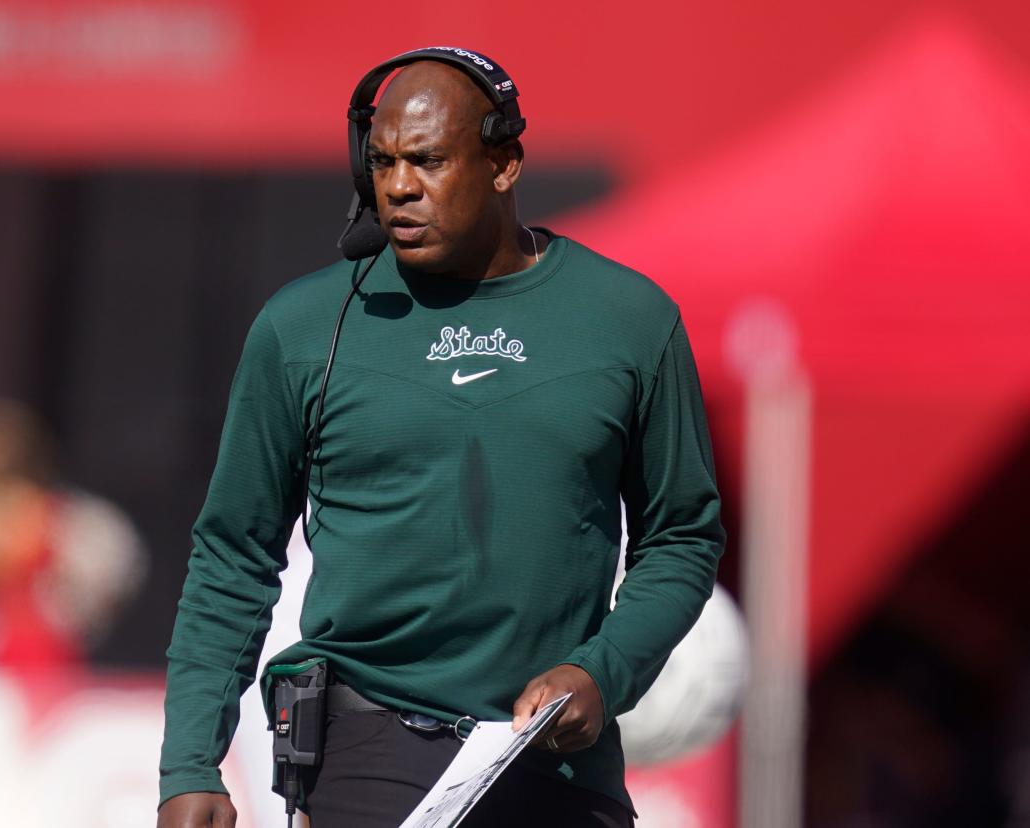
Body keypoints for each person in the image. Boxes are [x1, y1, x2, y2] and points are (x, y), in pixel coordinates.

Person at [158, 50, 724, 827]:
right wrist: (191, 762)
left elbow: (683, 537)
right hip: (364, 754)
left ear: (504, 163)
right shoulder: (301, 328)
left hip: (556, 764)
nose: (396, 187)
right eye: (382, 162)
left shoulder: (630, 321)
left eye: (427, 160)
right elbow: (234, 554)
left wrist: (603, 672)